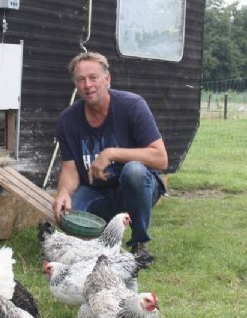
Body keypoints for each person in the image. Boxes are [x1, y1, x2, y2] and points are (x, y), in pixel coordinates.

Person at [53, 51, 167, 255]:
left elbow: (161, 158)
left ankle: (140, 244)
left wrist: (111, 153)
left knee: (134, 171)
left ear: (107, 79)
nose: (87, 85)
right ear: (76, 84)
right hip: (95, 191)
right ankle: (99, 238)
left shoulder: (132, 105)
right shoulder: (67, 120)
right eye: (81, 80)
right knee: (69, 215)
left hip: (136, 189)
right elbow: (70, 170)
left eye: (93, 77)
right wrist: (63, 192)